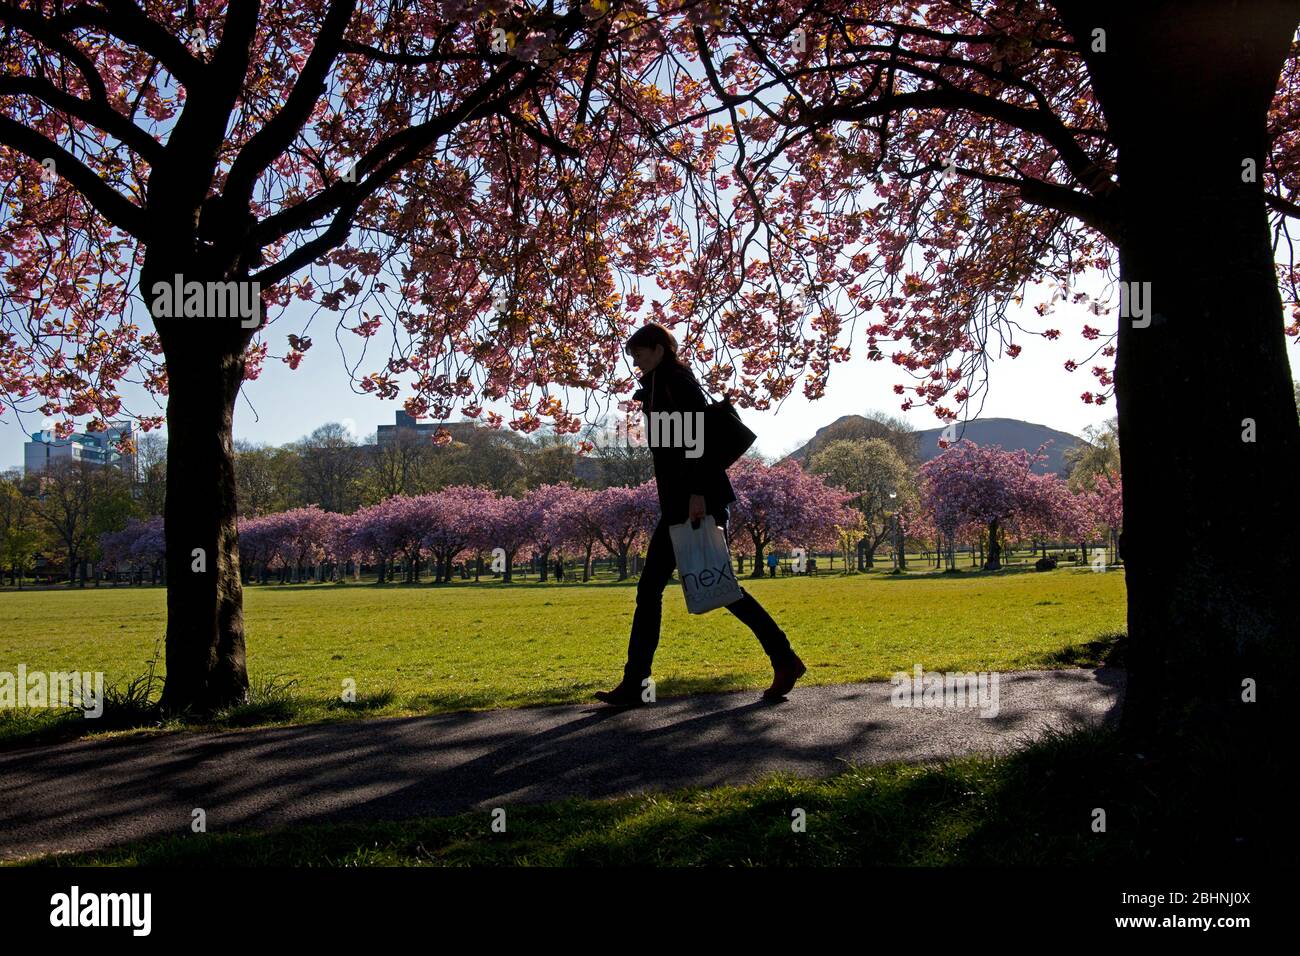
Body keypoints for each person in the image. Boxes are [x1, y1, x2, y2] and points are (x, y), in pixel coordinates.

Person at [594, 323, 806, 707]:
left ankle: (637, 684)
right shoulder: (661, 385)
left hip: (693, 501)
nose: (635, 362)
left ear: (658, 349)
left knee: (709, 587)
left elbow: (699, 441)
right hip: (681, 500)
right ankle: (782, 658)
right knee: (697, 588)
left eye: (639, 354)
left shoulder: (676, 382)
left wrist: (696, 494)